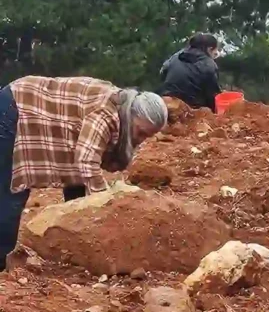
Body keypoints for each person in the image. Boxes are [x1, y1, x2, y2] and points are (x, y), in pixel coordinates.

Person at [0, 76, 167, 269]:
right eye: (141, 132)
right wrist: (107, 204)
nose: (142, 140)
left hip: (29, 104)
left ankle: (71, 246)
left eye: (149, 136)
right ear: (132, 115)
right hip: (17, 106)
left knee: (78, 182)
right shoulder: (106, 114)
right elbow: (86, 160)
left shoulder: (123, 107)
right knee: (12, 188)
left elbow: (82, 166)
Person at [158, 33, 221, 112]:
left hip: (167, 102)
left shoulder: (177, 55)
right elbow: (213, 96)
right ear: (209, 49)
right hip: (191, 109)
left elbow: (163, 72)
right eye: (215, 52)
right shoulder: (209, 65)